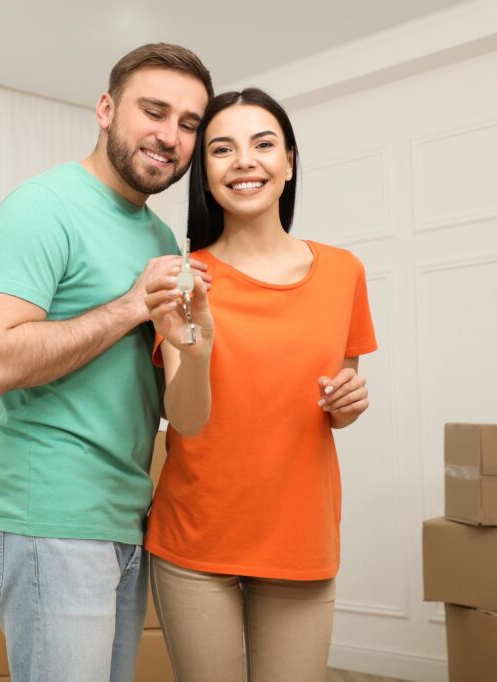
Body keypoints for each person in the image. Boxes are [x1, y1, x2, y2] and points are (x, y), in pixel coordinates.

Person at [0, 44, 213, 682]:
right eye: (154, 112)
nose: (170, 136)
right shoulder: (42, 206)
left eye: (188, 124)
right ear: (106, 109)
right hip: (51, 509)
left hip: (125, 516)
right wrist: (130, 306)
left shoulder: (160, 239)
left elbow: (163, 396)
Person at [143, 87, 378, 682]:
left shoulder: (343, 271)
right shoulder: (184, 278)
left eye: (263, 144)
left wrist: (349, 403)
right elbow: (187, 421)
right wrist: (197, 352)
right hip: (196, 541)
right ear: (205, 173)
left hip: (300, 538)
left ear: (289, 162)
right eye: (222, 149)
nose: (244, 161)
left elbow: (336, 394)